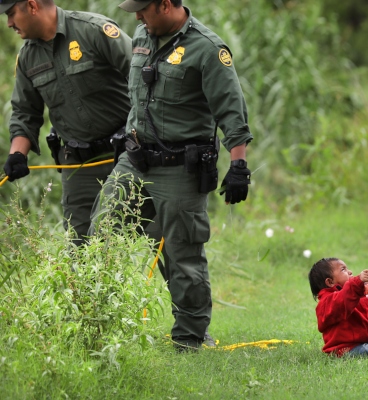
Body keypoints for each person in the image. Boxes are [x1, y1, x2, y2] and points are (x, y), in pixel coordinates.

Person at [89, 0, 253, 352]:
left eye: (142, 9)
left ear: (165, 4)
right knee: (101, 230)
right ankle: (94, 323)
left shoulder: (208, 49)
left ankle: (190, 338)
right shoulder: (142, 34)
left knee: (183, 255)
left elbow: (231, 108)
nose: (135, 16)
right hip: (134, 161)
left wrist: (238, 165)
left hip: (180, 169)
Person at [1, 0, 132, 245]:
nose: (9, 23)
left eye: (10, 14)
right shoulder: (28, 58)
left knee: (160, 235)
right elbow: (25, 113)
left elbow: (143, 77)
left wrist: (138, 129)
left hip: (128, 154)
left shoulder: (93, 30)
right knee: (81, 251)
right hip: (78, 164)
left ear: (31, 5)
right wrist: (17, 155)